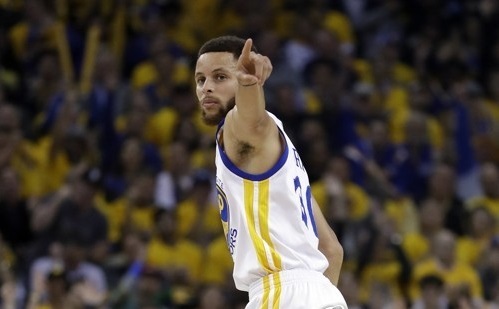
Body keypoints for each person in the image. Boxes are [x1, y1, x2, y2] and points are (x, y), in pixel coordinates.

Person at [194, 35, 347, 308]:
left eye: (219, 77)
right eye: (200, 79)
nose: (206, 88)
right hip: (322, 296)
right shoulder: (282, 156)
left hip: (280, 294)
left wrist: (248, 82)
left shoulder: (241, 127)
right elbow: (331, 251)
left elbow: (251, 121)